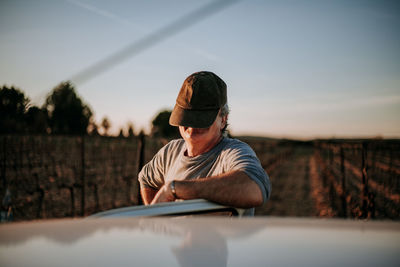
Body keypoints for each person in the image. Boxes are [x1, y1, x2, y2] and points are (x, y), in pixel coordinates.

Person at [138, 71, 271, 216]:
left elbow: (254, 188)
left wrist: (174, 189)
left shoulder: (234, 152)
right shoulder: (170, 151)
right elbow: (147, 179)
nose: (192, 125)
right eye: (187, 115)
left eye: (201, 117)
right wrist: (158, 217)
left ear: (223, 119)